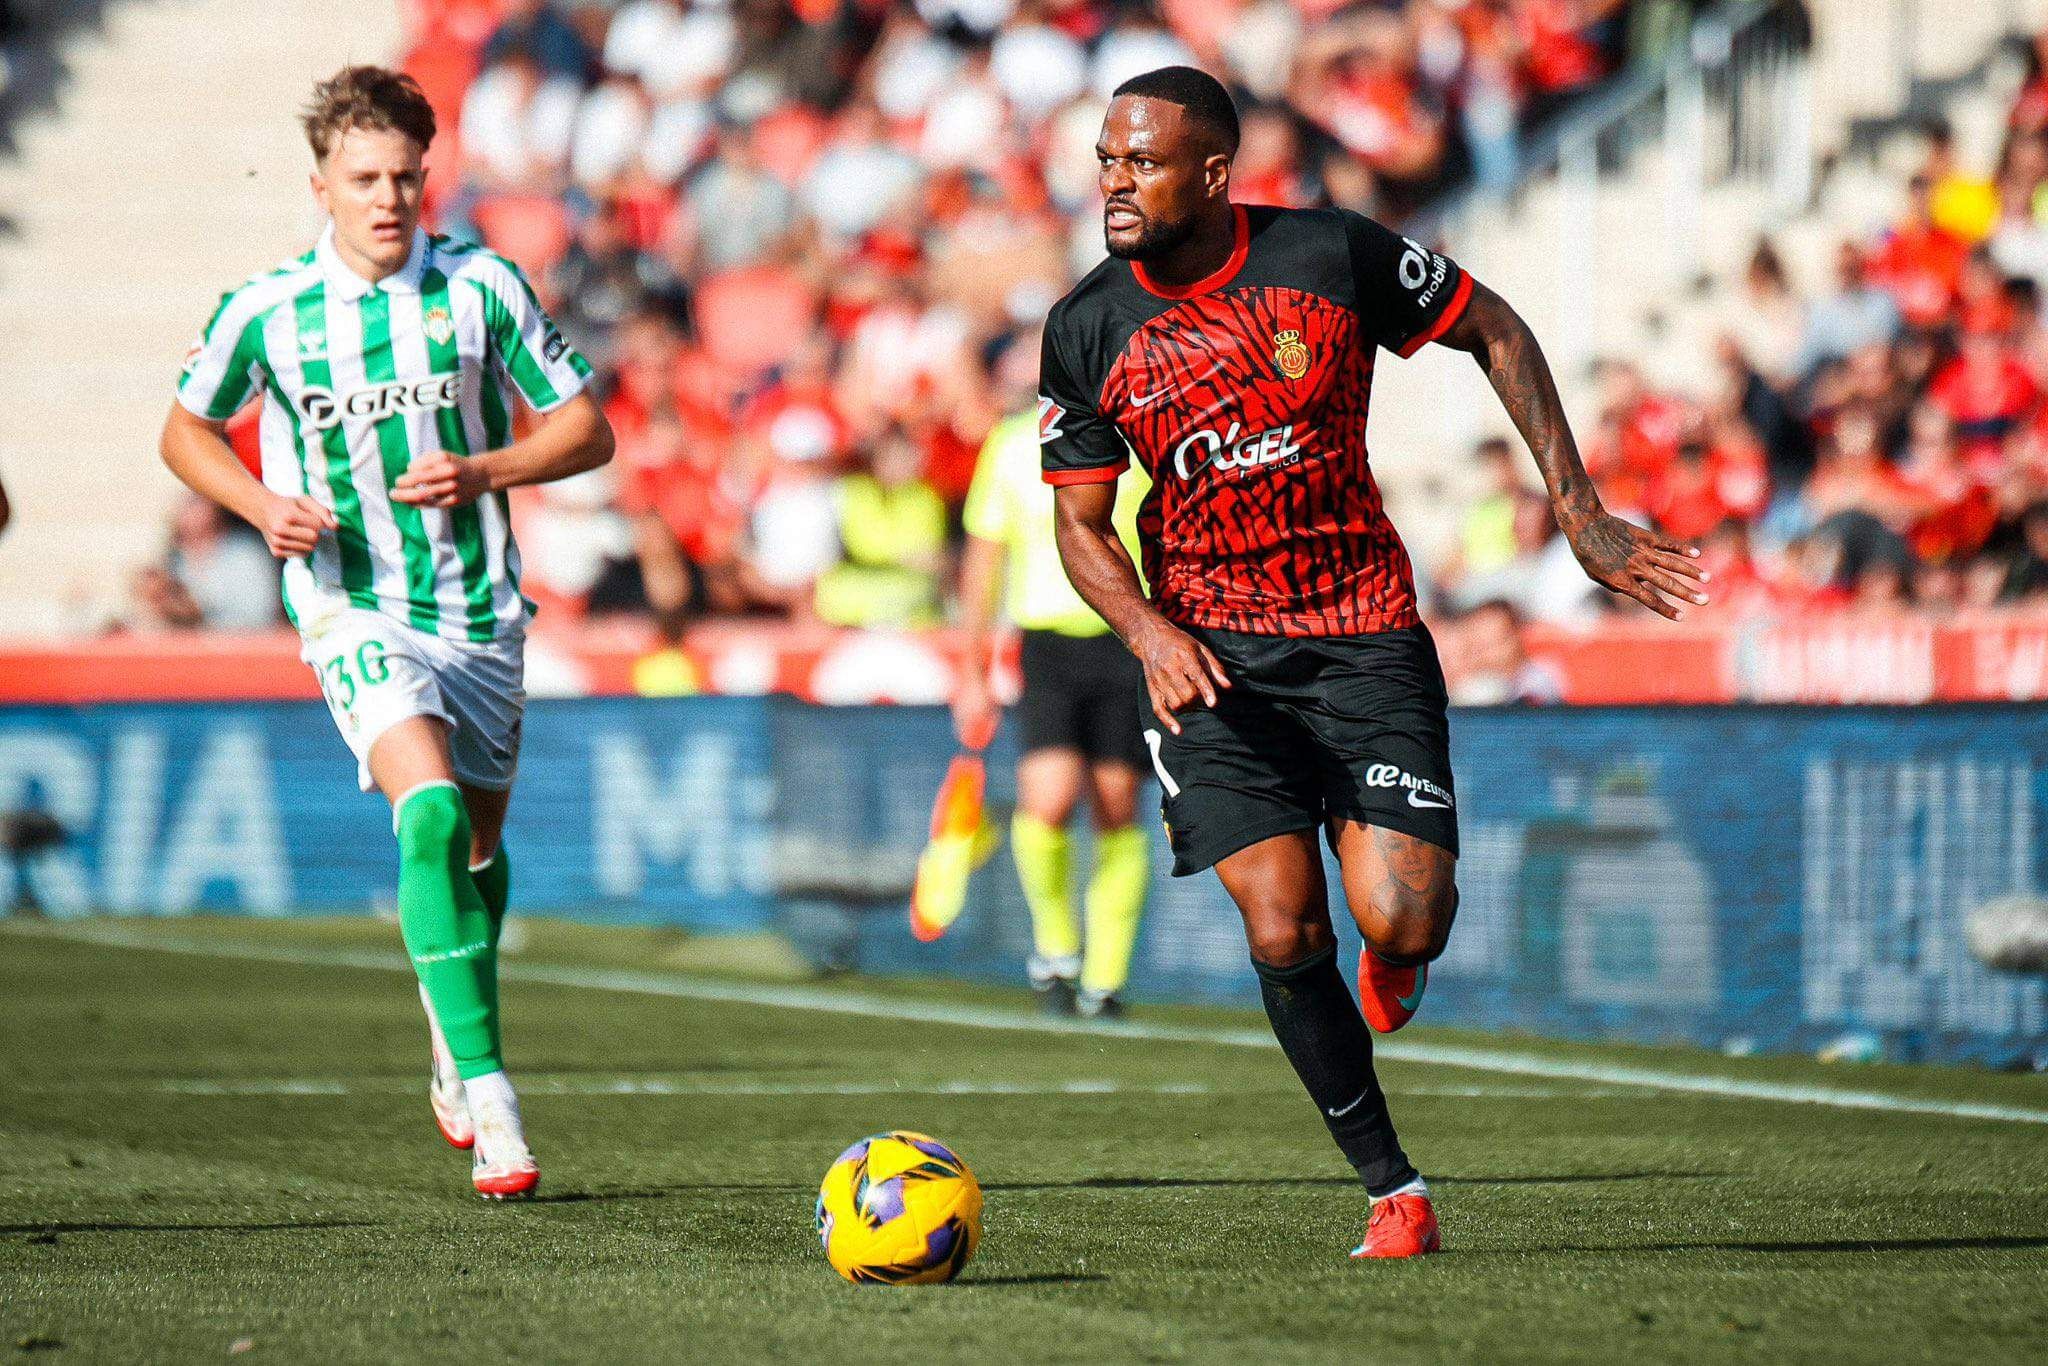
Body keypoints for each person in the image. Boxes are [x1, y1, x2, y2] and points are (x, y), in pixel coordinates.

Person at [1041, 66, 1707, 1260]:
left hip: (1361, 634)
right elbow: (1080, 527)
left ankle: (1398, 961)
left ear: (1210, 170)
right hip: (1208, 663)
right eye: (1104, 157)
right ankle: (1390, 1188)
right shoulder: (1087, 325)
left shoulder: (1329, 255)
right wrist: (1147, 633)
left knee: (1400, 917)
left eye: (1138, 162)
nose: (1113, 180)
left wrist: (1578, 510)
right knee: (1283, 928)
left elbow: (1493, 326)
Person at [159, 66, 614, 1200]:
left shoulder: (481, 290)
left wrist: (486, 468)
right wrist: (261, 506)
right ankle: (494, 1097)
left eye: (407, 176)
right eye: (364, 178)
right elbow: (185, 430)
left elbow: (587, 429)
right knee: (431, 812)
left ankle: (449, 1036)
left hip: (480, 609)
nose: (388, 198)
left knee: (475, 855)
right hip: (349, 603)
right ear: (320, 184)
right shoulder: (265, 310)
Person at [954, 336, 1153, 1019]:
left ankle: (1106, 976)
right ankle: (1056, 948)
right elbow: (984, 563)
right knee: (1048, 798)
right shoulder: (1010, 447)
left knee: (1118, 804)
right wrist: (972, 668)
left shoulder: (1138, 441)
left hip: (1128, 640)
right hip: (1047, 643)